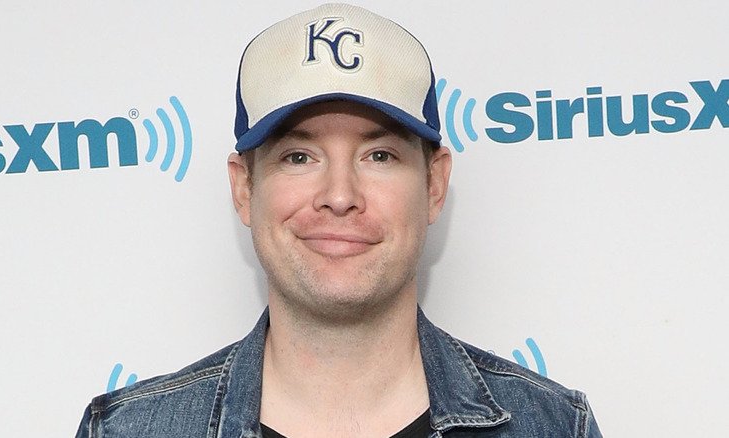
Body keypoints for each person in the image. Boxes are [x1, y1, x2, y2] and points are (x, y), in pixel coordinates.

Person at [75, 4, 602, 437]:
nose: (340, 196)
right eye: (299, 157)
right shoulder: (127, 432)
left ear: (434, 184)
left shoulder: (554, 427)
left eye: (380, 156)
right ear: (243, 188)